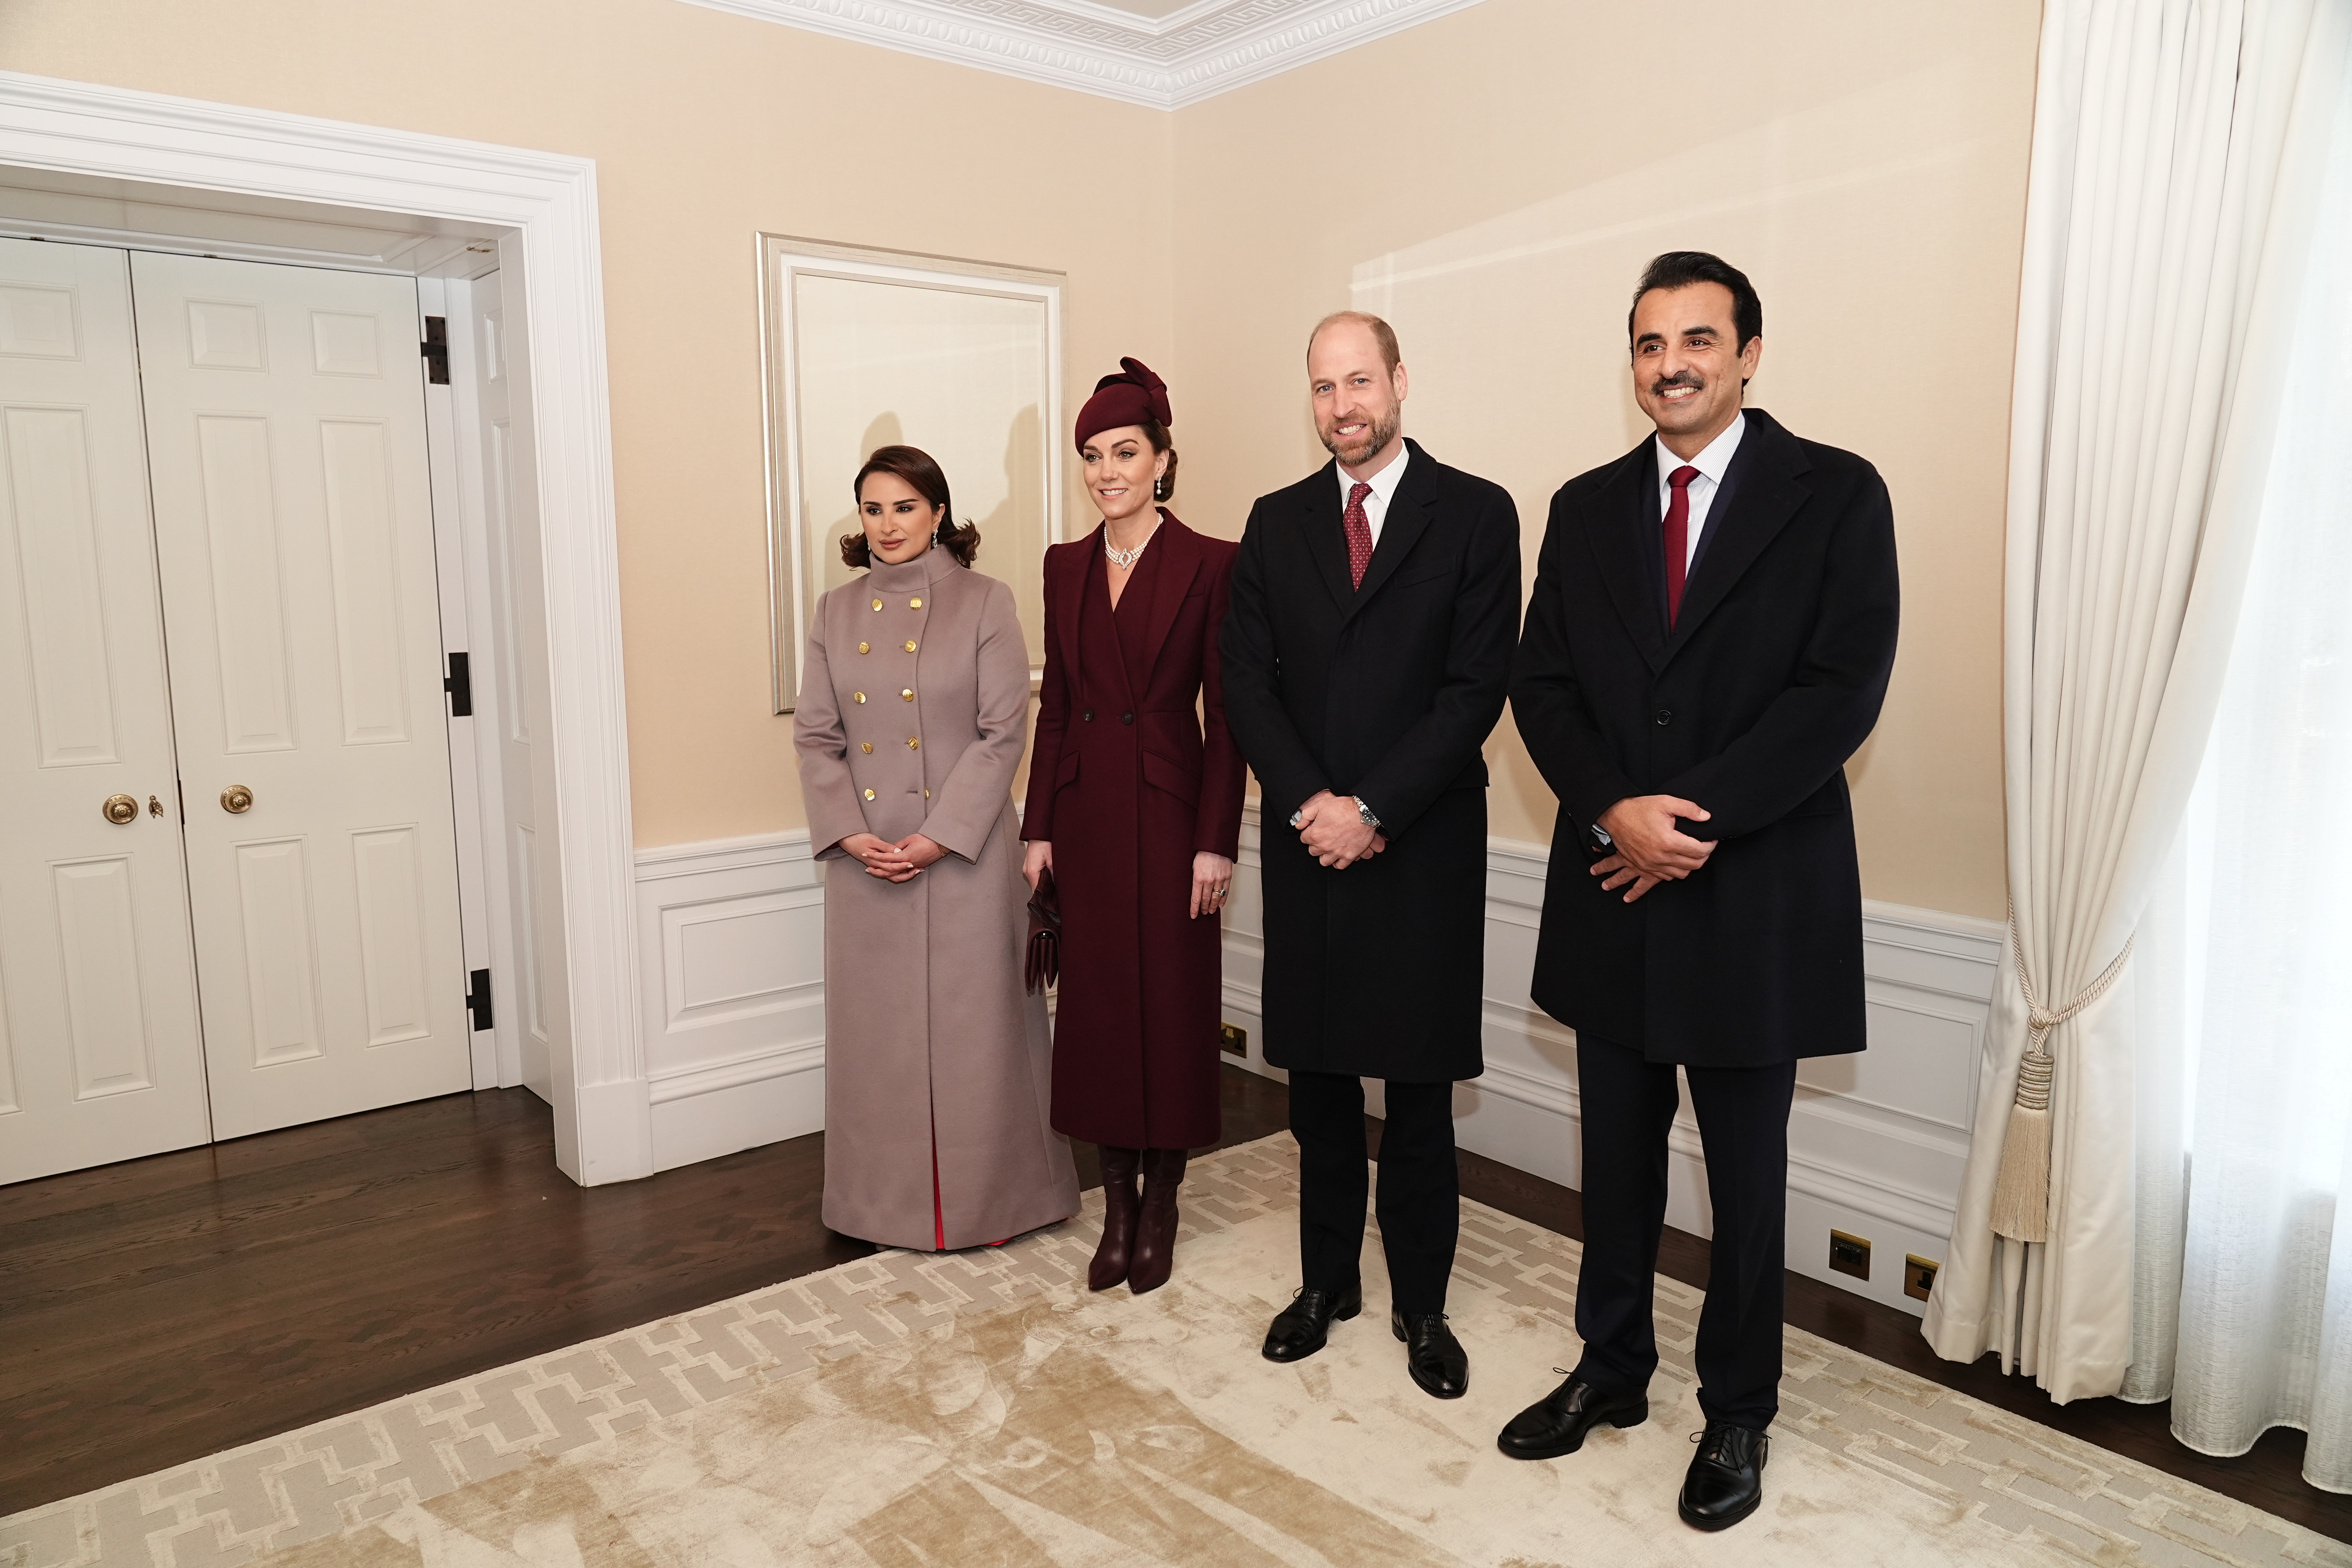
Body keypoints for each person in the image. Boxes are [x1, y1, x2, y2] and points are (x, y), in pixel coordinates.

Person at [1502, 252, 1900, 1530]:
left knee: (1745, 1178)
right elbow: (1543, 686)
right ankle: (1612, 1370)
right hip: (1614, 886)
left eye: (1696, 339)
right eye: (1646, 342)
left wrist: (1691, 823)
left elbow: (1840, 691)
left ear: (1749, 353)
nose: (1669, 363)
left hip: (1753, 898)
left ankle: (1739, 1409)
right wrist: (1615, 808)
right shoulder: (1583, 505)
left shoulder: (1835, 496)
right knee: (1611, 1162)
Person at [1220, 312, 1520, 1400]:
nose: (1341, 406)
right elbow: (1246, 681)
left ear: (1399, 381)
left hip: (1421, 846)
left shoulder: (1478, 515)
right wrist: (1312, 803)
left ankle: (1424, 1307)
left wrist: (1375, 807)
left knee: (1423, 1095)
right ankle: (1324, 1285)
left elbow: (1474, 688)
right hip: (1310, 847)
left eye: (1358, 382)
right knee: (1320, 1089)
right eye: (1321, 388)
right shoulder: (1275, 520)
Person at [795, 445, 1080, 1253]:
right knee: (876, 1043)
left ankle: (1004, 1200)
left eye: (905, 507)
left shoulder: (987, 602)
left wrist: (937, 837)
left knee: (983, 1036)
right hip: (867, 861)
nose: (888, 525)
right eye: (873, 509)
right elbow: (817, 737)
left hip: (966, 853)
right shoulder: (834, 612)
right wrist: (851, 831)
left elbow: (1002, 734)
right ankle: (876, 1205)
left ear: (939, 513)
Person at [1021, 358, 1245, 1296]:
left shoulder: (1214, 562)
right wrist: (1037, 826)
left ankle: (1164, 1200)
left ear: (1162, 459)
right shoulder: (1064, 564)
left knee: (1172, 1007)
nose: (1106, 470)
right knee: (1102, 1014)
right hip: (1083, 816)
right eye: (1091, 455)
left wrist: (1217, 839)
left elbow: (1228, 715)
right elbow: (1058, 702)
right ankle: (1115, 1201)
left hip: (1171, 810)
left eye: (1124, 451)